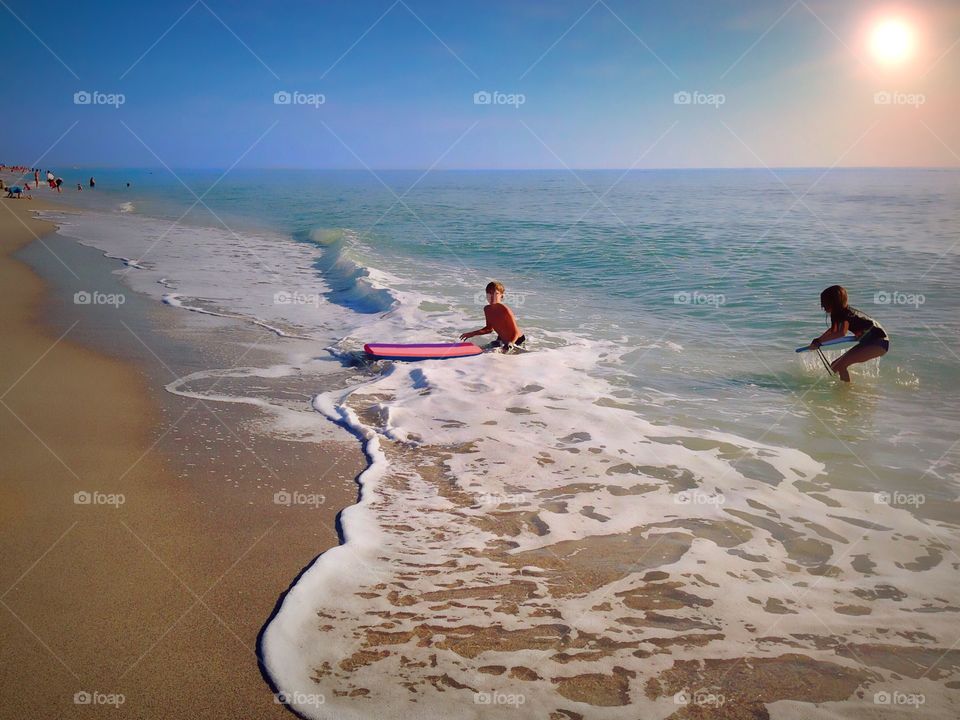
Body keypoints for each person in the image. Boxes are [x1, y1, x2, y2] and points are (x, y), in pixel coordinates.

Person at [808, 285, 889, 382]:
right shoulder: (840, 314)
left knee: (839, 365)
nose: (822, 306)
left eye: (824, 303)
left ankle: (845, 391)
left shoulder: (845, 314)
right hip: (872, 341)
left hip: (878, 342)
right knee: (835, 365)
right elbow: (833, 330)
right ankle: (846, 392)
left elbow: (841, 333)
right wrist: (818, 340)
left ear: (833, 303)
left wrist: (819, 341)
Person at [460, 280, 525, 353]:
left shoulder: (504, 309)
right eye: (489, 293)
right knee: (484, 349)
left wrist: (510, 344)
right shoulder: (487, 309)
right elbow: (489, 329)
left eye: (496, 293)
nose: (492, 296)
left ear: (502, 295)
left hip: (516, 340)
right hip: (501, 339)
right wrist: (471, 334)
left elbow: (515, 332)